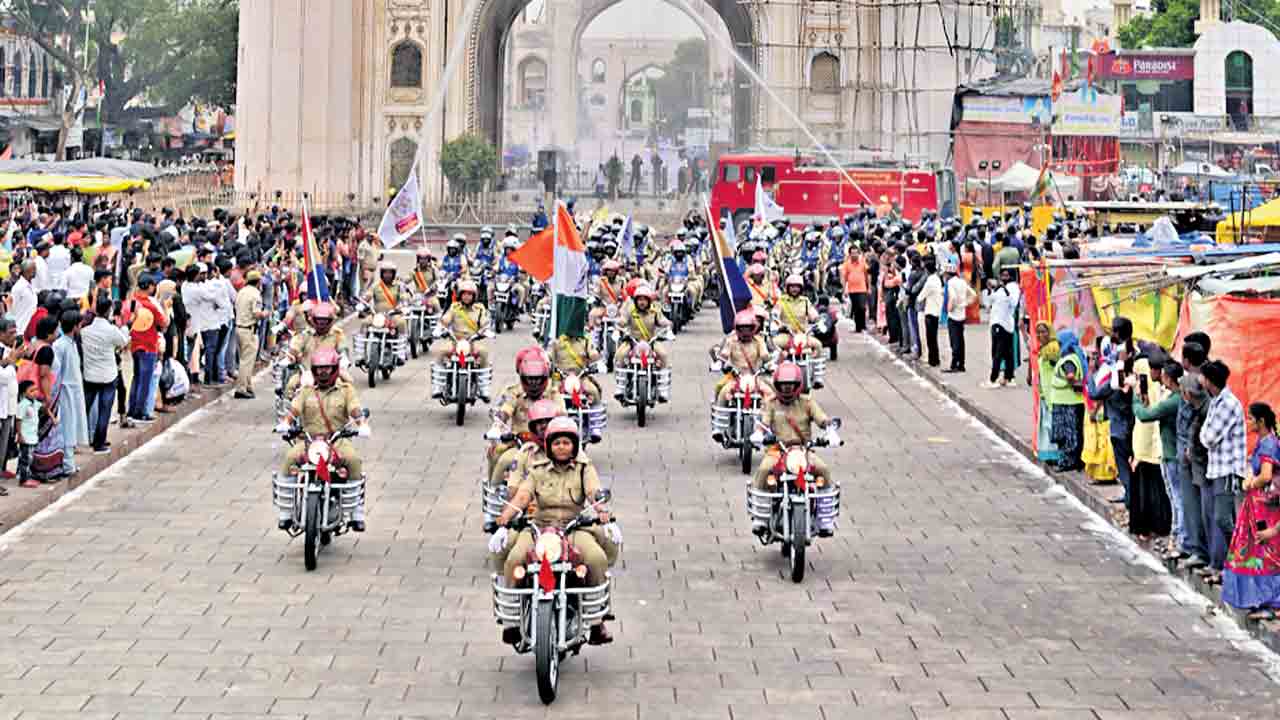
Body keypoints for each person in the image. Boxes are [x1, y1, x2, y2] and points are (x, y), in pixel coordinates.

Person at [492, 417, 615, 646]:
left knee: (596, 558)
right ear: (549, 445)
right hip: (539, 527)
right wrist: (504, 519)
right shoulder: (538, 470)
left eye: (566, 443)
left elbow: (593, 492)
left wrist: (603, 512)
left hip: (573, 526)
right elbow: (522, 496)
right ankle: (511, 622)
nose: (561, 447)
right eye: (557, 443)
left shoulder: (584, 467)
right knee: (514, 558)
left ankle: (596, 621)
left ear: (575, 445)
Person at [278, 347, 366, 532]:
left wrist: (362, 424)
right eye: (319, 368)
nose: (323, 372)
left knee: (354, 460)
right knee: (289, 459)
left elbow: (355, 409)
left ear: (334, 368)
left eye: (327, 368)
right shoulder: (306, 391)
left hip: (336, 440)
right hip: (309, 442)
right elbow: (294, 410)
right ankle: (286, 513)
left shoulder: (346, 390)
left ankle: (356, 513)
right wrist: (286, 423)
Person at [752, 362, 837, 536]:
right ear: (777, 384)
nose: (787, 388)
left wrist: (830, 429)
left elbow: (821, 418)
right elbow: (764, 422)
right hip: (778, 450)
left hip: (803, 450)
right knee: (764, 469)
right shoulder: (772, 403)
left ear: (798, 384)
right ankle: (760, 517)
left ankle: (825, 519)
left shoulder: (807, 402)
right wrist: (759, 434)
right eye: (783, 384)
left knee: (823, 469)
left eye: (790, 384)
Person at [1222, 402, 1280, 618]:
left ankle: (1273, 603)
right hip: (1259, 507)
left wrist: (1250, 483)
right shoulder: (1264, 441)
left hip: (1266, 509)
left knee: (1267, 552)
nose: (1248, 422)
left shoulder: (1268, 445)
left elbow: (1266, 475)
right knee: (1259, 551)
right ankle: (1264, 599)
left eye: (1250, 419)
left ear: (1261, 421)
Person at [1200, 359, 1247, 586]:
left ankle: (1239, 562)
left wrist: (1205, 435)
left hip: (1227, 469)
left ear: (1210, 381)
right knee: (1221, 518)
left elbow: (1208, 438)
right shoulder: (1216, 401)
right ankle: (1231, 565)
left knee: (1223, 519)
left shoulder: (1227, 404)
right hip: (1217, 468)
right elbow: (1206, 433)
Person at [1134, 361, 1185, 557]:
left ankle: (1179, 539)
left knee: (1177, 498)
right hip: (1167, 452)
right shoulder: (1171, 396)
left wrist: (1135, 399)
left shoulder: (1174, 400)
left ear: (1169, 379)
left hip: (1172, 455)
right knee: (1174, 497)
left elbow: (1145, 415)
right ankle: (1176, 536)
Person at [80, 298, 127, 454]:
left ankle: (78, 439)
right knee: (104, 410)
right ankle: (99, 443)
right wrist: (122, 327)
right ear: (108, 311)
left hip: (90, 375)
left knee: (84, 408)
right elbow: (123, 342)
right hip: (108, 376)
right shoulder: (111, 330)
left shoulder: (85, 331)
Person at [432, 279, 491, 397]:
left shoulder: (479, 308)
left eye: (470, 294)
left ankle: (483, 387)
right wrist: (441, 328)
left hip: (472, 342)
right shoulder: (454, 307)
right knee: (441, 352)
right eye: (464, 294)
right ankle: (438, 386)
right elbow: (446, 319)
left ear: (474, 296)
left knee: (484, 352)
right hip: (455, 342)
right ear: (460, 295)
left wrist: (485, 331)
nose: (467, 297)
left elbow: (484, 322)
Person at [50, 310, 87, 477]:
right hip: (65, 393)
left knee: (72, 426)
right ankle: (66, 464)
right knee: (67, 427)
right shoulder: (60, 346)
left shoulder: (72, 343)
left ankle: (69, 463)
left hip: (74, 391)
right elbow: (56, 372)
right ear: (74, 326)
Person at [125, 276, 168, 422]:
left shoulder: (132, 302)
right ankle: (140, 412)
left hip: (134, 344)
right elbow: (163, 323)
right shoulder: (151, 305)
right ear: (149, 286)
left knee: (136, 378)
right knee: (145, 381)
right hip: (149, 345)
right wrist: (165, 307)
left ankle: (131, 410)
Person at [613, 284, 669, 374]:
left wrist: (668, 323)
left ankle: (662, 377)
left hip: (651, 342)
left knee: (663, 354)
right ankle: (621, 377)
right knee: (620, 355)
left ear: (649, 301)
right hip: (633, 341)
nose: (642, 302)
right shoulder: (631, 310)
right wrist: (619, 323)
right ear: (636, 301)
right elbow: (623, 320)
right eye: (639, 300)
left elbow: (661, 320)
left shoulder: (654, 311)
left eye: (644, 300)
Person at [982, 267, 1020, 388]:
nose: (1003, 277)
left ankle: (993, 379)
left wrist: (1005, 290)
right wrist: (990, 289)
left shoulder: (1013, 287)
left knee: (997, 353)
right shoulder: (1000, 288)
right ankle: (1009, 377)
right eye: (1002, 275)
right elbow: (988, 302)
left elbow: (1013, 303)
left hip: (1003, 323)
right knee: (1007, 353)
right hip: (997, 322)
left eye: (1006, 275)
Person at [233, 270, 267, 399]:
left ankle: (247, 385)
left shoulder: (241, 291)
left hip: (239, 327)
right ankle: (241, 388)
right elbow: (256, 313)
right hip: (248, 329)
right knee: (246, 361)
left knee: (245, 359)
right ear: (258, 282)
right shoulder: (255, 294)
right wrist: (265, 313)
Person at [942, 258, 975, 373]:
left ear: (947, 274)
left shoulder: (950, 283)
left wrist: (949, 308)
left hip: (954, 315)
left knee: (954, 341)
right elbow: (973, 294)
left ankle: (954, 364)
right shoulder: (962, 282)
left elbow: (953, 297)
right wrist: (965, 303)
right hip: (962, 314)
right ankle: (961, 364)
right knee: (960, 340)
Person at [917, 257, 943, 368]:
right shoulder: (937, 279)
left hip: (930, 312)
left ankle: (932, 361)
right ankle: (936, 359)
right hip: (936, 311)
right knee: (934, 337)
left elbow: (920, 296)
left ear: (927, 270)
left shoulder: (930, 282)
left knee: (930, 338)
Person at [15, 380, 39, 488]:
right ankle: (24, 480)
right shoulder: (23, 405)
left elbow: (44, 407)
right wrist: (19, 434)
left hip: (33, 437)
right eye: (31, 391)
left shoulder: (35, 403)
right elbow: (18, 420)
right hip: (25, 437)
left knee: (29, 458)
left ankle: (24, 476)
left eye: (36, 390)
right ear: (24, 393)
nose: (35, 392)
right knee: (25, 459)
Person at [9, 260, 37, 336]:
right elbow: (12, 310)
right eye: (34, 268)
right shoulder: (18, 287)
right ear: (26, 270)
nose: (36, 270)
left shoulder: (31, 284)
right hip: (21, 329)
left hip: (30, 327)